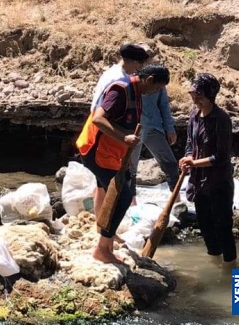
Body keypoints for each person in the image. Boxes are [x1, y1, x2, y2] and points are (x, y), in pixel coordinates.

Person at [77, 64, 171, 264]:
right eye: (155, 88)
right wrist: (124, 137)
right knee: (123, 196)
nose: (153, 92)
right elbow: (98, 118)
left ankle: (107, 243)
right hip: (96, 149)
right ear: (149, 79)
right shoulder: (121, 89)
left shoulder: (137, 90)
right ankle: (102, 249)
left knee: (115, 190)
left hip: (111, 153)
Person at [179, 73, 236, 270]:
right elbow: (189, 143)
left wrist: (194, 163)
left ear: (210, 96)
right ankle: (214, 262)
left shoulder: (221, 120)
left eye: (199, 96)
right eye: (193, 95)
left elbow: (221, 157)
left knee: (223, 227)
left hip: (219, 182)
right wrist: (187, 158)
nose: (195, 100)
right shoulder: (194, 116)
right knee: (205, 226)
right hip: (199, 182)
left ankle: (230, 269)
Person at [89, 42, 151, 215]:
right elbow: (101, 115)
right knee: (113, 187)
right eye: (139, 64)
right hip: (106, 137)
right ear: (131, 61)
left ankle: (101, 227)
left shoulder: (113, 73)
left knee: (102, 185)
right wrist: (124, 137)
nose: (139, 69)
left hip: (102, 134)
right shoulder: (119, 81)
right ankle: (106, 232)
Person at [129, 86, 180, 206]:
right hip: (133, 129)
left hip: (153, 126)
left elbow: (164, 105)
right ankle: (132, 204)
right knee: (131, 169)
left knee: (170, 164)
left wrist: (170, 128)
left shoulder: (159, 79)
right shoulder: (131, 80)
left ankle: (176, 201)